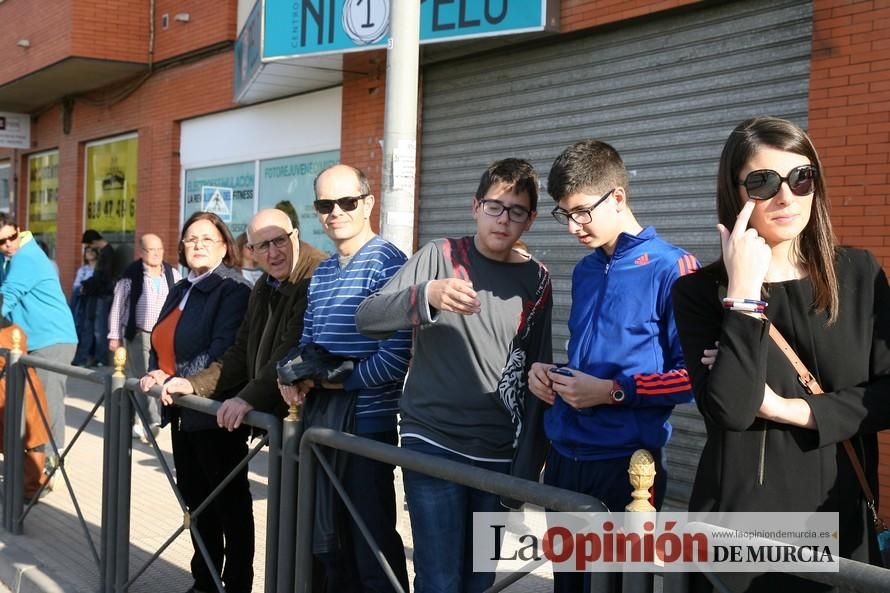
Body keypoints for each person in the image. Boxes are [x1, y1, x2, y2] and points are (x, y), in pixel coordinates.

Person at [672, 116, 890, 592]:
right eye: (763, 182)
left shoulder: (859, 273)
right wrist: (745, 294)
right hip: (742, 524)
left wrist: (788, 409)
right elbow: (730, 408)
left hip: (836, 516)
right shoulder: (698, 291)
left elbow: (887, 394)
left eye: (801, 177)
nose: (786, 196)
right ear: (736, 193)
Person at [356, 158, 553, 593]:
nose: (503, 219)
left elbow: (537, 372)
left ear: (531, 219)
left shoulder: (537, 279)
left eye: (516, 210)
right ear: (475, 207)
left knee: (478, 581)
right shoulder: (440, 256)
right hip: (433, 442)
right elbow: (367, 317)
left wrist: (527, 467)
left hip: (499, 452)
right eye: (494, 206)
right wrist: (426, 294)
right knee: (439, 580)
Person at [527, 140, 697, 593]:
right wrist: (552, 373)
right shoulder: (584, 269)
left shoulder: (674, 268)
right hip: (563, 459)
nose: (573, 227)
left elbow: (695, 377)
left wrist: (612, 392)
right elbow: (590, 360)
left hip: (628, 469)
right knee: (568, 585)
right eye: (565, 214)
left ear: (618, 197)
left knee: (620, 586)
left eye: (582, 211)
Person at [278, 164, 411, 593]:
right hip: (322, 420)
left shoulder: (388, 261)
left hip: (366, 426)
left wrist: (331, 380)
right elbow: (306, 343)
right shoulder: (323, 272)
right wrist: (295, 373)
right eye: (325, 204)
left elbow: (395, 359)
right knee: (330, 545)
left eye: (347, 202)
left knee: (370, 546)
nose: (336, 212)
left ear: (368, 202)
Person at [138, 212, 252, 593]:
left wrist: (180, 380)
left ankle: (235, 584)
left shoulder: (231, 288)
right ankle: (204, 579)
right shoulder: (182, 286)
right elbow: (161, 339)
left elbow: (225, 350)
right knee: (197, 504)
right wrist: (158, 371)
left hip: (216, 412)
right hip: (182, 411)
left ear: (224, 246)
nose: (198, 244)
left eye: (207, 238)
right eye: (191, 239)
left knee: (229, 507)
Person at [160, 208, 326, 431]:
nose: (273, 253)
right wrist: (193, 383)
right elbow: (240, 351)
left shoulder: (315, 275)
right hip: (281, 417)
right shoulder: (264, 284)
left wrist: (247, 399)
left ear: (294, 236)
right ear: (251, 251)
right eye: (263, 246)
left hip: (311, 416)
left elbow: (290, 349)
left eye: (279, 241)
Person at [0, 214, 78, 463]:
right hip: (31, 341)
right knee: (30, 404)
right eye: (0, 242)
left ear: (19, 230)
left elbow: (6, 296)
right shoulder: (8, 258)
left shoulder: (27, 257)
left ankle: (51, 462)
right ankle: (33, 463)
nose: (7, 244)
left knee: (46, 402)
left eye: (11, 237)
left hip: (53, 338)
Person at [108, 233, 180, 443]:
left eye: (160, 249)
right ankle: (152, 423)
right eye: (151, 250)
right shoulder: (131, 275)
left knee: (162, 375)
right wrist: (114, 336)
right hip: (140, 334)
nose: (157, 254)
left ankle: (145, 420)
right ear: (141, 252)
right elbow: (118, 307)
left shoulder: (172, 273)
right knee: (144, 377)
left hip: (166, 334)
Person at [76, 229, 117, 366]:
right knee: (94, 328)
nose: (90, 248)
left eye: (90, 245)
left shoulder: (107, 253)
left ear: (94, 242)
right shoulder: (105, 252)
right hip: (98, 294)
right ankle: (94, 357)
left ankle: (101, 358)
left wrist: (87, 285)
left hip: (102, 295)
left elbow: (103, 277)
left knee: (99, 329)